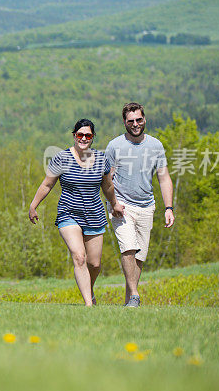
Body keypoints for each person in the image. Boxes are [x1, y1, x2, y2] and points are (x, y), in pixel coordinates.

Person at [28, 119, 124, 306]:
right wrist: (33, 205)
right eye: (80, 135)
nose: (83, 138)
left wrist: (115, 204)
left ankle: (89, 290)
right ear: (74, 135)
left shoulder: (101, 159)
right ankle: (89, 304)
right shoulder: (61, 158)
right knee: (79, 257)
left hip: (95, 214)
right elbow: (47, 184)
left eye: (88, 135)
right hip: (68, 213)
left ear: (93, 137)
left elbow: (108, 186)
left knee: (94, 264)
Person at [105, 102, 174, 308]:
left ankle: (129, 302)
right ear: (124, 122)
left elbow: (164, 178)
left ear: (145, 120)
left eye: (139, 120)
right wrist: (113, 203)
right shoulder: (115, 146)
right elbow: (106, 180)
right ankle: (135, 295)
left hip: (147, 207)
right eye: (131, 121)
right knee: (128, 248)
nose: (135, 124)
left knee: (139, 258)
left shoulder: (156, 145)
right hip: (122, 207)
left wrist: (168, 208)